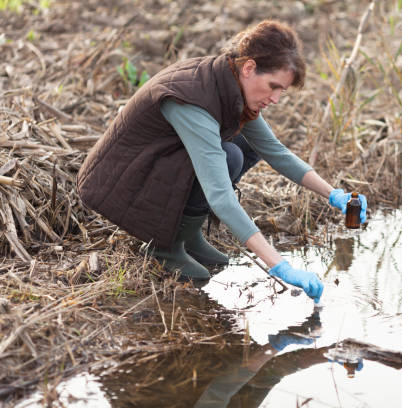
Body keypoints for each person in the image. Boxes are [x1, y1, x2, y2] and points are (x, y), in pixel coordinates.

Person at [76, 20, 367, 304]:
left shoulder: (229, 84)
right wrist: (280, 266)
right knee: (230, 156)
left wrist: (334, 195)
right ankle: (164, 247)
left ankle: (187, 236)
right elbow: (221, 198)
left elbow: (274, 151)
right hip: (123, 182)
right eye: (273, 86)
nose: (276, 98)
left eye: (283, 91)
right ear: (249, 67)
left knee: (247, 146)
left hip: (156, 165)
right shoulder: (192, 100)